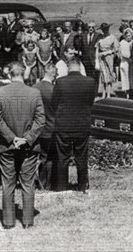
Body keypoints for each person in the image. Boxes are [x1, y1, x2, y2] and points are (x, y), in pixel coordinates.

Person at [0, 62, 45, 229]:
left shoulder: (0, 92)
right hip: (28, 146)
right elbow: (41, 120)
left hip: (7, 146)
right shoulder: (34, 92)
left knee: (8, 183)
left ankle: (8, 221)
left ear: (9, 75)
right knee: (28, 183)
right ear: (25, 74)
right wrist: (26, 138)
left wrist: (11, 138)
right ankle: (28, 221)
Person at [52, 57, 95, 193]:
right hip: (82, 123)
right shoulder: (90, 82)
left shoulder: (60, 82)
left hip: (64, 124)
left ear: (68, 67)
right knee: (81, 156)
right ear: (80, 66)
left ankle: (62, 186)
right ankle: (82, 185)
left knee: (62, 157)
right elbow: (90, 102)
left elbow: (54, 102)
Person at [33, 63, 57, 190]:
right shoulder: (54, 90)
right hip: (51, 127)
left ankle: (41, 182)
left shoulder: (34, 88)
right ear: (53, 74)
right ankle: (47, 184)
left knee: (41, 156)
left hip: (36, 129)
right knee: (50, 157)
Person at [95, 23, 119, 99]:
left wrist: (108, 52)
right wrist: (96, 59)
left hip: (109, 57)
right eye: (103, 29)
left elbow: (116, 49)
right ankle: (103, 93)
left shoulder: (112, 37)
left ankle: (108, 94)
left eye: (106, 29)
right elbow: (97, 48)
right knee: (103, 75)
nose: (105, 31)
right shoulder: (100, 37)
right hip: (101, 57)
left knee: (109, 74)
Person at [118, 28, 133, 99]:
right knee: (125, 78)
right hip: (125, 62)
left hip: (132, 63)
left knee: (131, 78)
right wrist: (127, 57)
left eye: (130, 36)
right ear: (124, 36)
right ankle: (126, 93)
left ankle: (132, 92)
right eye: (127, 36)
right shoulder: (122, 43)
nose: (129, 37)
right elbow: (121, 53)